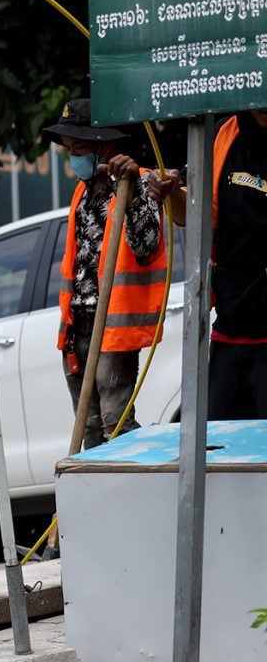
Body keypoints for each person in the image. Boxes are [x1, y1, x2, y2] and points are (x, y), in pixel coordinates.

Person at [41, 98, 169, 559]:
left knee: (118, 429)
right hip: (78, 327)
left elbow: (147, 244)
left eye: (78, 147)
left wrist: (132, 186)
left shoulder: (132, 185)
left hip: (113, 331)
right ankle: (91, 538)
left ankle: (135, 528)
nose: (71, 156)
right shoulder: (83, 192)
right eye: (68, 147)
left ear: (103, 147)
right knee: (88, 430)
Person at [149, 109, 267, 419]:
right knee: (217, 446)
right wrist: (170, 192)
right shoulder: (223, 135)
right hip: (230, 327)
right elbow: (192, 214)